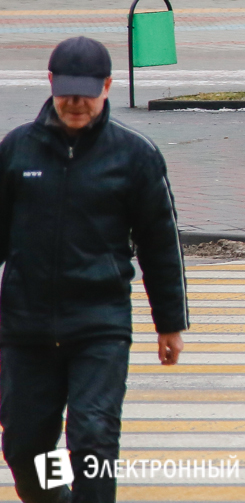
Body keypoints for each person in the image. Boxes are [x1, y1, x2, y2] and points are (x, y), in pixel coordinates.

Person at [0, 36, 189, 503]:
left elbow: (160, 244)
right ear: (49, 84)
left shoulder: (135, 156)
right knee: (27, 446)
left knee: (92, 441)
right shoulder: (17, 151)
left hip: (99, 325)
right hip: (26, 328)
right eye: (66, 92)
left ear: (107, 86)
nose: (76, 103)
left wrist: (169, 324)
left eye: (87, 92)